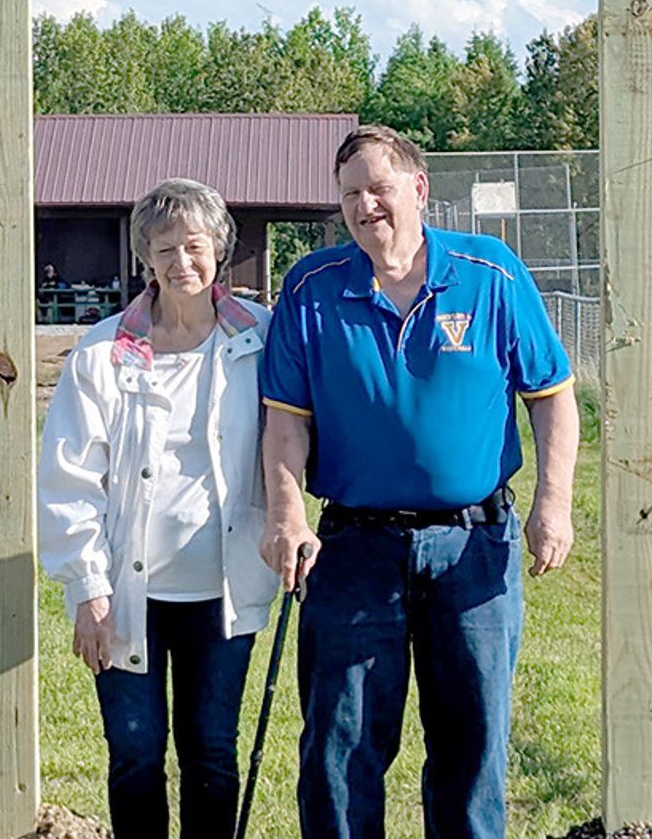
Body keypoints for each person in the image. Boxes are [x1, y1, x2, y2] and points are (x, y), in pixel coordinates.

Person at [260, 124, 579, 839]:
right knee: (341, 751)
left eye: (378, 186)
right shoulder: (311, 289)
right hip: (352, 548)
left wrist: (552, 503)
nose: (365, 204)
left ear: (418, 188)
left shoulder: (490, 273)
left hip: (474, 546)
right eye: (349, 194)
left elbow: (553, 396)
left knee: (472, 745)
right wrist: (286, 513)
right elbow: (285, 423)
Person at [38, 177, 278, 839]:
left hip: (223, 589)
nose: (182, 262)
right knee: (136, 754)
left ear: (219, 250)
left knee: (212, 750)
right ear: (146, 256)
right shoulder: (102, 352)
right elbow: (68, 479)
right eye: (165, 247)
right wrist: (87, 589)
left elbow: (294, 434)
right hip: (127, 592)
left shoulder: (261, 337)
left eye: (195, 245)